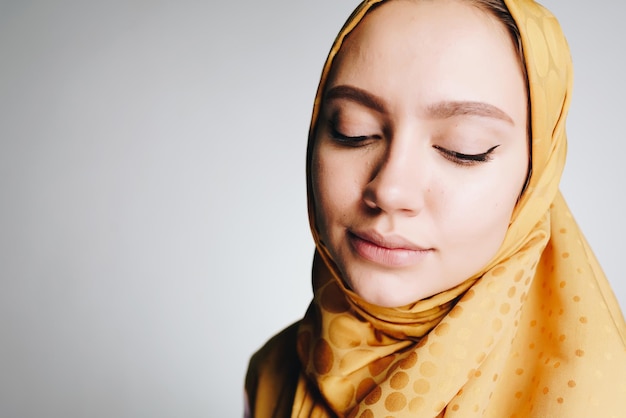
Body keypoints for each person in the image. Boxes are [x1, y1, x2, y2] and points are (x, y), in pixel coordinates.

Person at [245, 0, 626, 416]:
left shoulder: (601, 398)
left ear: (536, 176)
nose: (390, 190)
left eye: (463, 149)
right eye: (353, 130)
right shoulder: (271, 374)